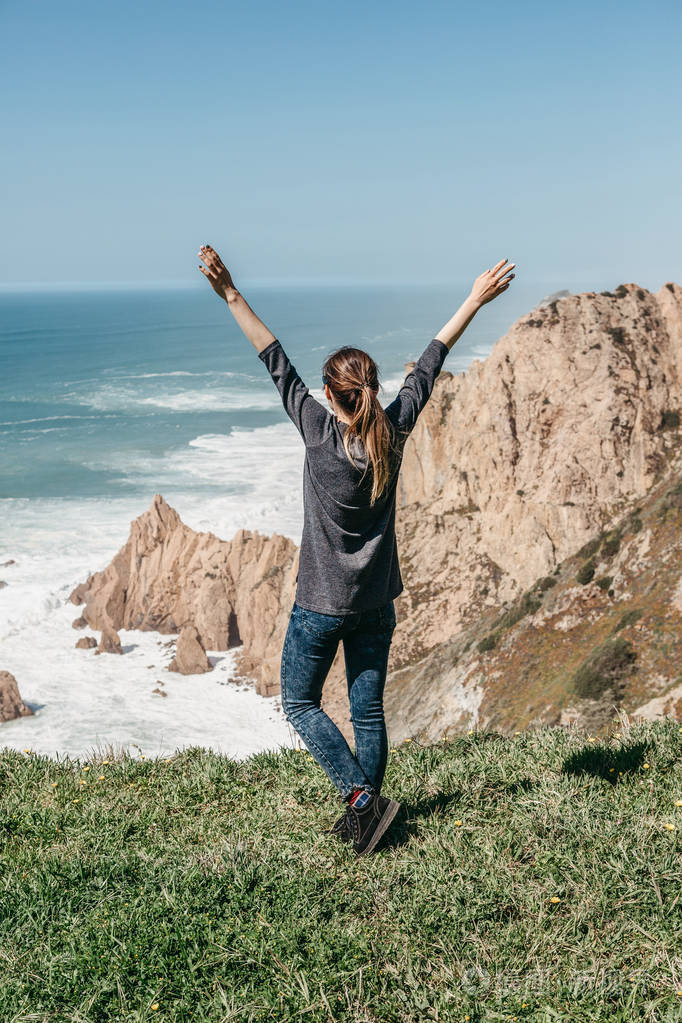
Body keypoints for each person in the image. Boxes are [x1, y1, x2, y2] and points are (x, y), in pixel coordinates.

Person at [198, 245, 515, 855]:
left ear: (328, 394)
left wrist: (230, 292)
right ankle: (371, 821)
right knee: (367, 712)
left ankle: (362, 801)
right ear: (372, 390)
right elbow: (431, 363)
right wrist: (475, 299)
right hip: (375, 602)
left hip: (320, 605)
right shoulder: (392, 432)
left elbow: (274, 360)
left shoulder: (318, 434)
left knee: (299, 703)